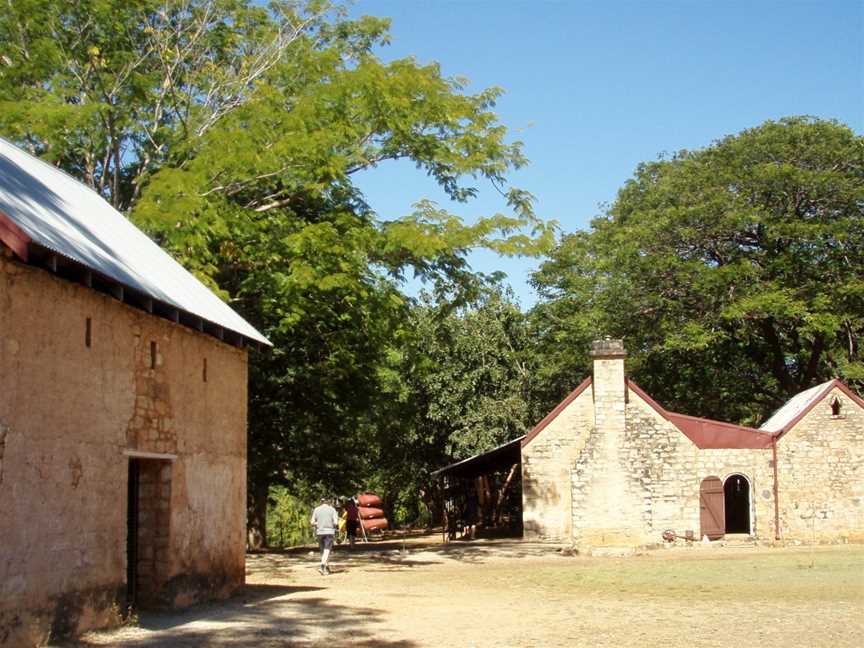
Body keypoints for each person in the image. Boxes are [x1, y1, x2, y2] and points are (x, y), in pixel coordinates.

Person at [310, 496, 339, 575]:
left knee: (323, 551)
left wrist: (318, 523)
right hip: (329, 532)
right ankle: (322, 566)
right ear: (328, 502)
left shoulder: (316, 509)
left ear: (321, 501)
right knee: (327, 549)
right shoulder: (332, 510)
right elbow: (336, 522)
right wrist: (331, 523)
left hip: (319, 532)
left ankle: (326, 568)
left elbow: (312, 522)